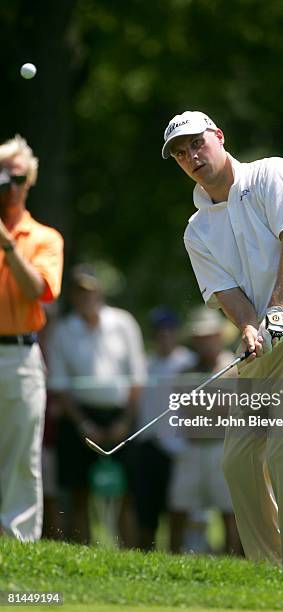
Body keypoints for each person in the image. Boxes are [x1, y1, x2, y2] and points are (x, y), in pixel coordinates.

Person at [162, 111, 283, 575]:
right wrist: (249, 325)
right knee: (240, 460)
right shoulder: (197, 229)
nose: (191, 156)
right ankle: (273, 572)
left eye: (197, 144)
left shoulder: (271, 173)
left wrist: (278, 309)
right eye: (180, 153)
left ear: (218, 137)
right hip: (263, 346)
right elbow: (228, 295)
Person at [45, 264, 147, 546]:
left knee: (126, 496)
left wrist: (125, 422)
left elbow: (137, 376)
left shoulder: (123, 322)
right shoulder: (63, 331)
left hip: (120, 415)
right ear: (73, 297)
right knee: (79, 495)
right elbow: (61, 386)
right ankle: (83, 555)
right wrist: (83, 425)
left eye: (90, 291)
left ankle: (130, 557)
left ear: (99, 292)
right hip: (79, 417)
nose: (85, 297)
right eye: (79, 293)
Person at [0, 135, 63, 541]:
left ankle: (17, 545)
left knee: (22, 456)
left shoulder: (44, 237)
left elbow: (39, 289)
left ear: (28, 182)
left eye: (15, 177)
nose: (7, 184)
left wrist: (7, 245)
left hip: (18, 356)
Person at [168, 305, 242, 555]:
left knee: (230, 511)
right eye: (200, 337)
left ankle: (232, 561)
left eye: (209, 335)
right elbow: (188, 410)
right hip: (192, 447)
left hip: (223, 448)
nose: (205, 342)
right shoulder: (185, 371)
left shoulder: (234, 368)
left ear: (219, 336)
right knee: (179, 509)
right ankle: (172, 559)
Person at [129, 306, 196, 550]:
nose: (164, 335)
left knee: (178, 515)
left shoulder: (189, 362)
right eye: (159, 331)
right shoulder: (145, 365)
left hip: (178, 450)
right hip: (148, 446)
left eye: (168, 330)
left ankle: (175, 560)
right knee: (146, 514)